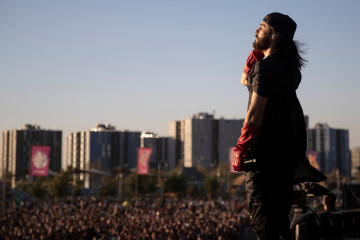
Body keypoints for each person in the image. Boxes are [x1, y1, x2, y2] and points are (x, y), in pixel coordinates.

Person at [232, 12, 307, 239]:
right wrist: (255, 58)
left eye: (261, 27)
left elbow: (255, 114)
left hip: (263, 162)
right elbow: (246, 81)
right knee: (278, 226)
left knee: (265, 228)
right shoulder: (289, 69)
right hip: (282, 161)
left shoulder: (267, 68)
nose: (256, 30)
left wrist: (240, 148)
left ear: (274, 35)